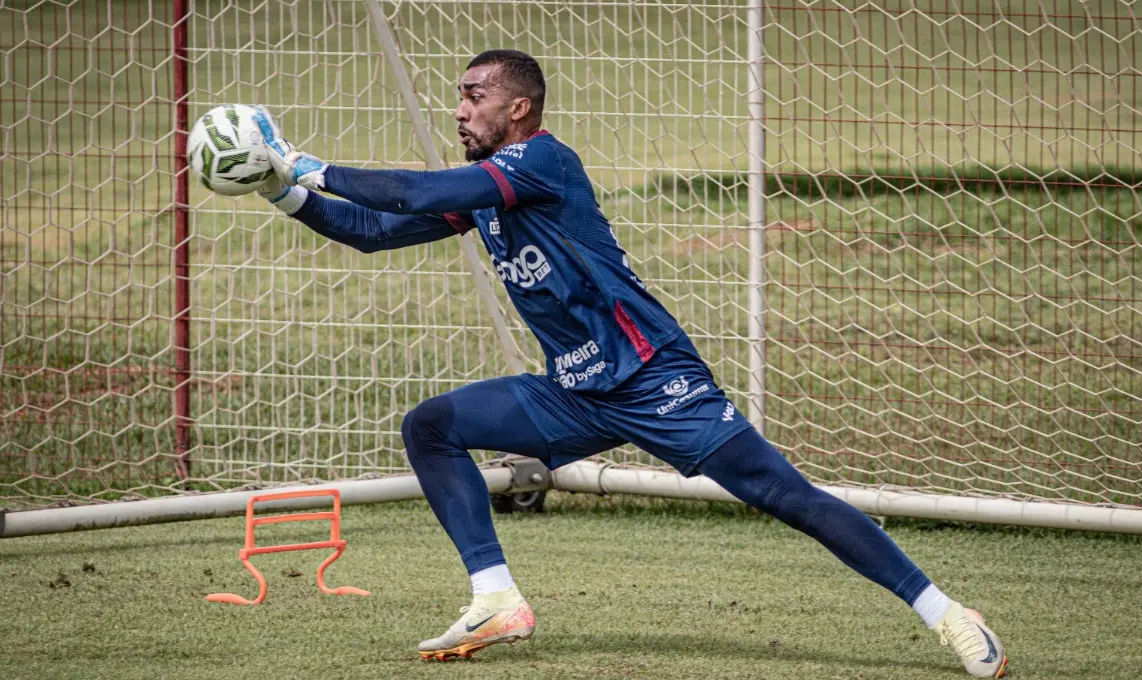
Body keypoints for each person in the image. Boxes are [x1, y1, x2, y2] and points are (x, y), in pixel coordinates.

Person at [250, 50, 1007, 677]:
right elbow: (376, 230)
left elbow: (417, 190)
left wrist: (304, 161)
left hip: (653, 378)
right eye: (460, 97)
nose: (459, 110)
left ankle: (947, 614)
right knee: (432, 427)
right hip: (575, 392)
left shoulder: (541, 159)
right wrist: (281, 190)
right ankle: (496, 599)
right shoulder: (484, 190)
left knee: (784, 494)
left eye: (474, 96)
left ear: (518, 108)